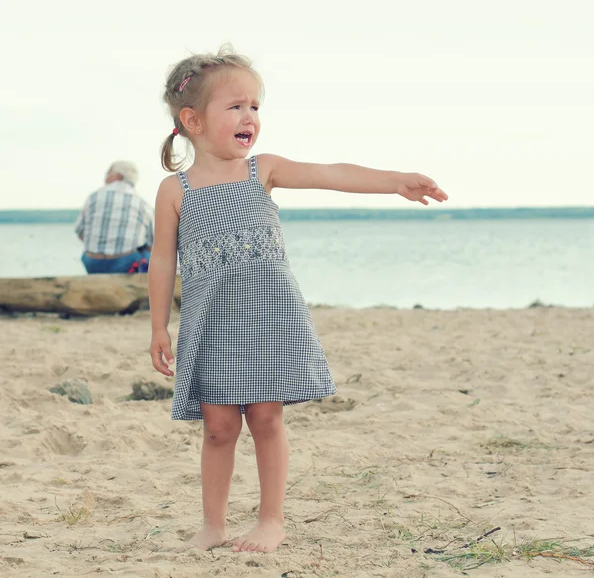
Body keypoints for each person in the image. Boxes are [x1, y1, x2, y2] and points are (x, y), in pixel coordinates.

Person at [148, 45, 448, 555]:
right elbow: (161, 261)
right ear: (192, 119)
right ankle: (212, 525)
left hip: (268, 318)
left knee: (265, 418)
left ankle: (271, 521)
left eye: (256, 107)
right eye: (236, 106)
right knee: (219, 428)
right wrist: (158, 327)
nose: (250, 117)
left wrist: (394, 181)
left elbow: (331, 172)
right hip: (212, 324)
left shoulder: (261, 170)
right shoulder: (173, 190)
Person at [75, 161, 154, 274]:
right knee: (149, 252)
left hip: (92, 263)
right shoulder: (142, 203)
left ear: (118, 176)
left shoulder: (93, 197)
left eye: (108, 173)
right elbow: (152, 242)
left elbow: (80, 232)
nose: (105, 178)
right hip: (125, 264)